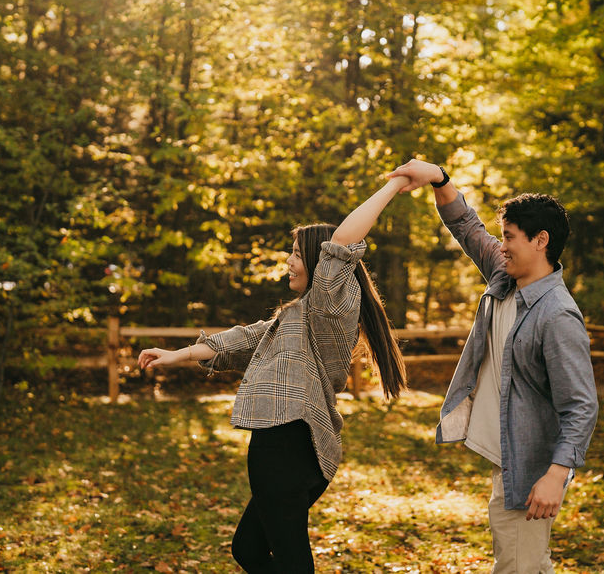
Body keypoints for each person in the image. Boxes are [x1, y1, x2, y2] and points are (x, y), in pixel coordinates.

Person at [137, 177, 410, 573]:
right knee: (248, 549)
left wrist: (395, 184)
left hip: (290, 442)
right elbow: (240, 340)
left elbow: (342, 243)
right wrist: (174, 354)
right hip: (281, 443)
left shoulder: (326, 307)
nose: (289, 261)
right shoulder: (294, 317)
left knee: (290, 560)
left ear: (320, 262)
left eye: (297, 253)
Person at [388, 159, 598, 574]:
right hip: (510, 459)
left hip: (532, 471)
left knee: (519, 567)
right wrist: (440, 179)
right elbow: (467, 227)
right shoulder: (505, 278)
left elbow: (581, 406)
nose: (501, 245)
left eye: (510, 237)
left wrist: (556, 476)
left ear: (541, 241)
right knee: (524, 564)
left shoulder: (556, 316)